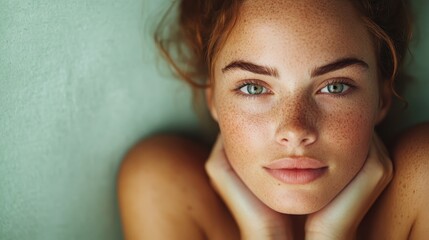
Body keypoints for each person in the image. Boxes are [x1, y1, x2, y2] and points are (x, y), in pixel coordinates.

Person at [117, 0, 429, 239]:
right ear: (213, 100)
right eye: (254, 87)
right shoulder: (165, 189)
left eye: (334, 86)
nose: (294, 130)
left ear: (382, 98)